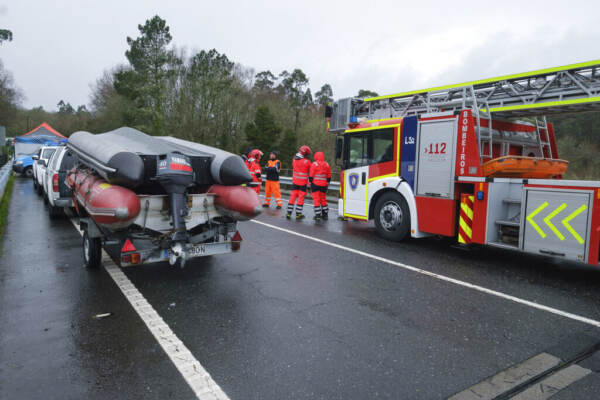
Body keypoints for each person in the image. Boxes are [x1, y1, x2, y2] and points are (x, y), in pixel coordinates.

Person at [286, 145, 312, 220]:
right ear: (305, 154)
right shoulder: (307, 162)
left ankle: (289, 212)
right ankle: (298, 214)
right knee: (300, 198)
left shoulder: (294, 160)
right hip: (303, 184)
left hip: (295, 182)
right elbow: (311, 171)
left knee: (293, 196)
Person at [309, 151, 331, 220]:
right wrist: (327, 184)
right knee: (323, 199)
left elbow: (311, 175)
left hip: (315, 184)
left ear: (316, 156)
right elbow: (329, 176)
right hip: (324, 185)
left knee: (316, 199)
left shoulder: (314, 164)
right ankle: (325, 214)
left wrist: (310, 184)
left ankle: (317, 215)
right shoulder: (327, 164)